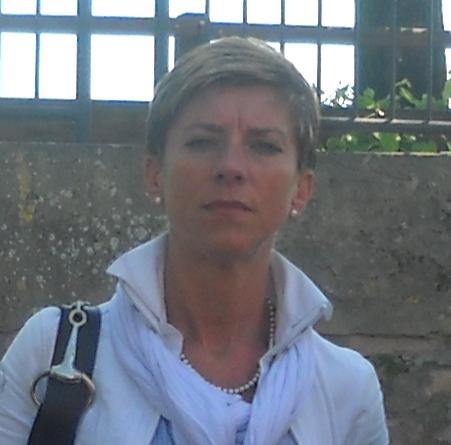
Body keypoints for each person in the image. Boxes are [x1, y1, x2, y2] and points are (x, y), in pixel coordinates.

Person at [0, 36, 389, 444]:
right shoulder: (53, 355)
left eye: (264, 146)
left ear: (302, 188)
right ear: (155, 174)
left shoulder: (347, 390)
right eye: (202, 142)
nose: (231, 167)